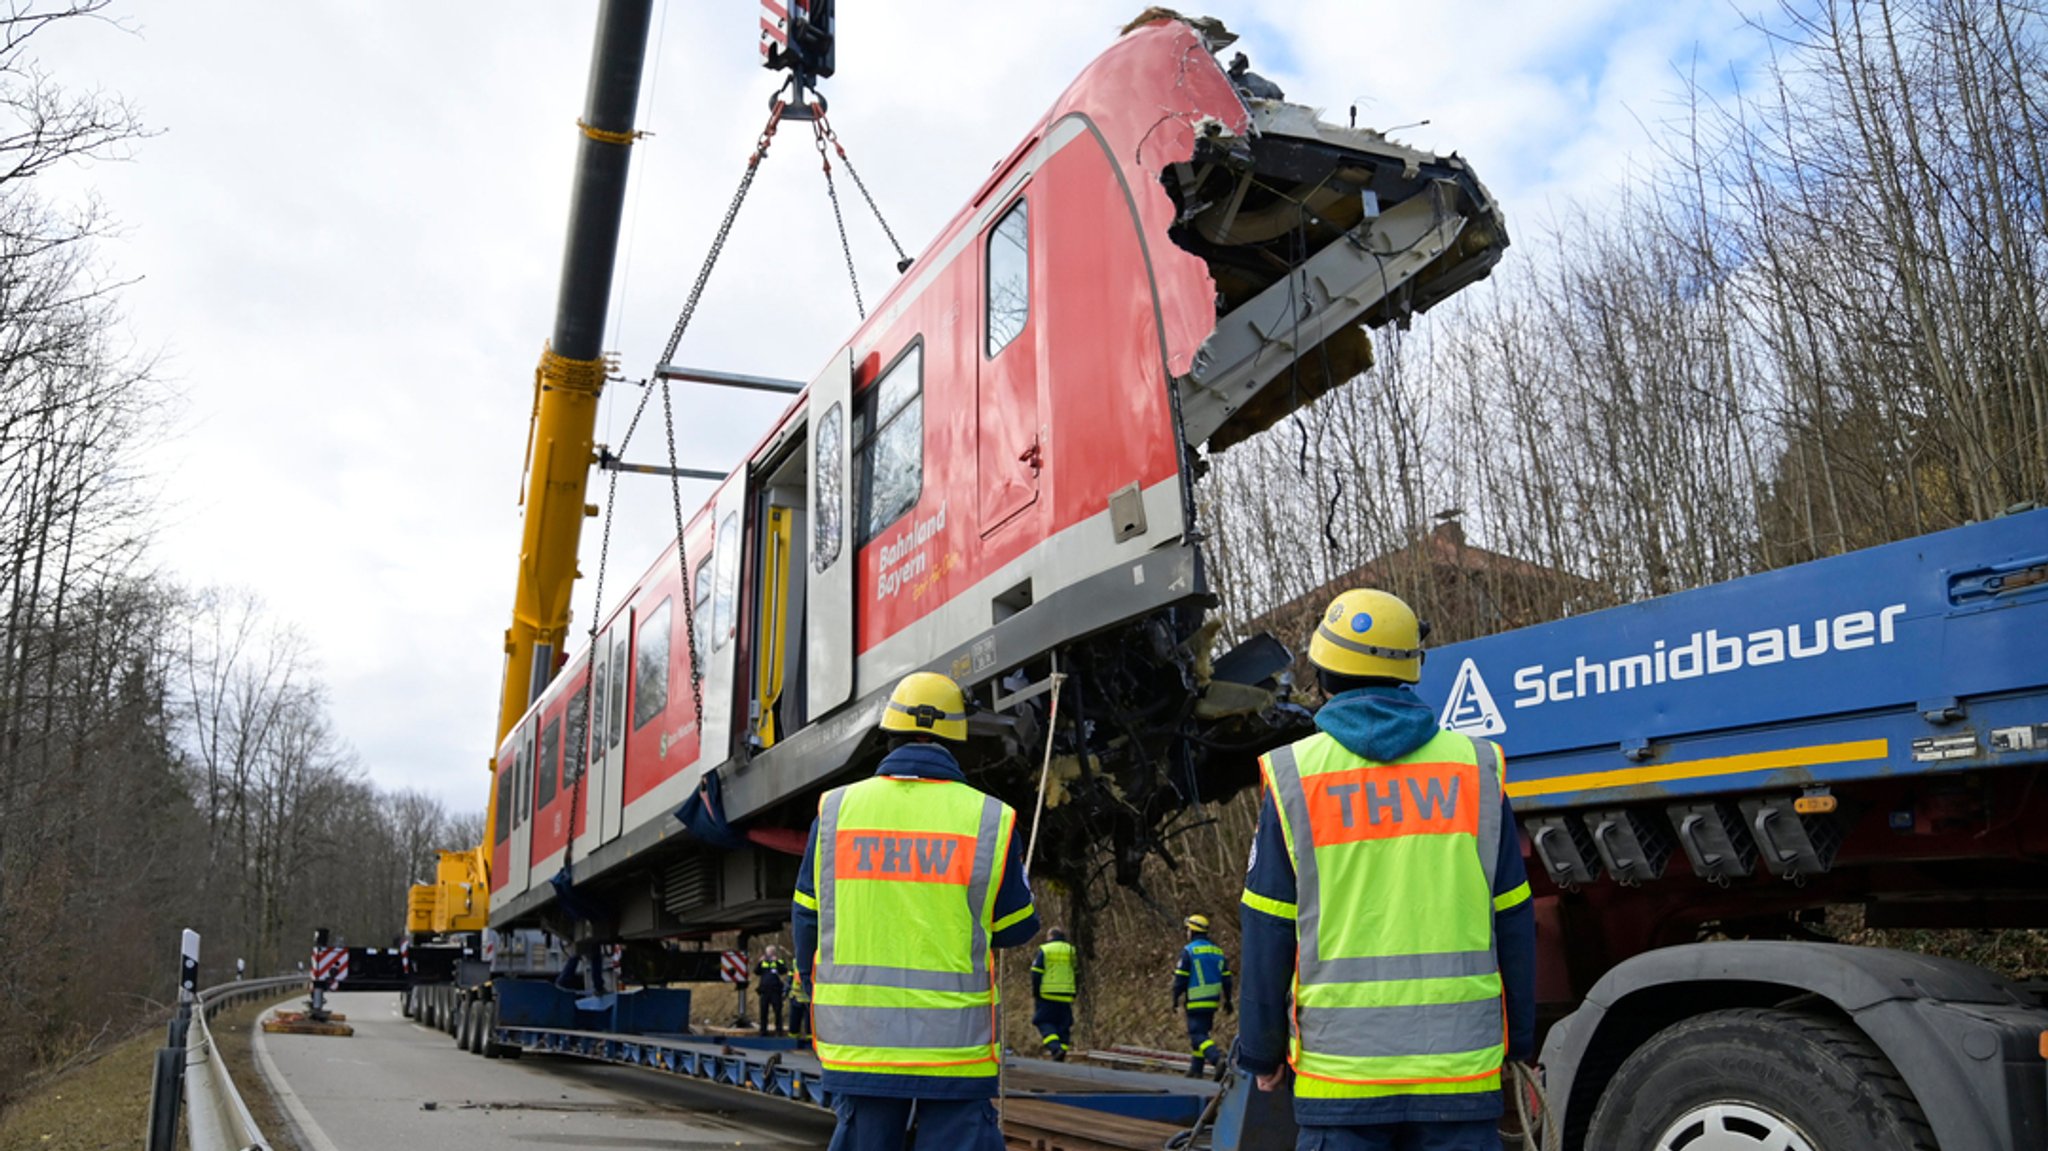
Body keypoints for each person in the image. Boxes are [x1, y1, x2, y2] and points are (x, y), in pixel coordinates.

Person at [1234, 589, 1535, 1151]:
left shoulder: (1294, 776)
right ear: (1411, 673)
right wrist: (1517, 1040)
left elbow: (1269, 924)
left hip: (1341, 1081)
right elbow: (1513, 916)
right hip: (1460, 1076)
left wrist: (1262, 1049)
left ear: (1323, 672)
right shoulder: (1475, 768)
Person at [792, 671, 1040, 1151]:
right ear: (956, 739)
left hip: (861, 1048)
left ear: (890, 733)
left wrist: (809, 983)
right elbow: (1016, 928)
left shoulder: (836, 811)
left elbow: (807, 917)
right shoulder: (990, 819)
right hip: (954, 1053)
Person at [1172, 914, 1233, 1078]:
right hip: (1212, 1000)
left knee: (1196, 1034)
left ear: (1192, 931)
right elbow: (1227, 979)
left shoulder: (1189, 951)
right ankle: (1196, 1069)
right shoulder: (1217, 952)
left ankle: (1216, 1059)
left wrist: (1175, 998)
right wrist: (1228, 1000)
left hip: (1195, 999)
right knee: (1202, 1033)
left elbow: (1181, 978)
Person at [1029, 927, 1078, 1061]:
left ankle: (1055, 1048)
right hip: (1066, 994)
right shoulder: (1071, 950)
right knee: (1064, 1024)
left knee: (1043, 1021)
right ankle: (1061, 1051)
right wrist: (1075, 992)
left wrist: (1036, 992)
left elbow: (1036, 972)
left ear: (1050, 936)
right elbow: (1077, 972)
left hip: (1047, 994)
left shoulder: (1045, 950)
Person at [755, 945, 790, 1035]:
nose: (770, 954)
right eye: (768, 952)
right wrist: (759, 962)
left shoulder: (778, 961)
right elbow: (756, 972)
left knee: (777, 1011)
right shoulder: (763, 962)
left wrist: (777, 962)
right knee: (763, 1012)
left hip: (775, 991)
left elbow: (784, 971)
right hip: (765, 991)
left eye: (771, 952)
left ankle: (779, 1030)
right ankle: (763, 1031)